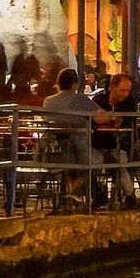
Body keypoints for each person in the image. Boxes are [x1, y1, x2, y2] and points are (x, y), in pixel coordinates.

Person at [42, 67, 98, 210]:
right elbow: (101, 116)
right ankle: (72, 189)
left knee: (67, 165)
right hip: (80, 149)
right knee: (99, 160)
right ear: (74, 84)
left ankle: (69, 193)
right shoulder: (80, 99)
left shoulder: (48, 101)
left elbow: (46, 119)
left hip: (54, 150)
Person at [91, 72, 140, 206]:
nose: (126, 94)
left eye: (128, 91)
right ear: (112, 87)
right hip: (97, 145)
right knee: (90, 164)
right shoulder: (98, 100)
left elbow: (121, 123)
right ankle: (96, 194)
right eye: (123, 90)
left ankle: (129, 196)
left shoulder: (129, 104)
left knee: (119, 163)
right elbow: (93, 121)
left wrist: (106, 119)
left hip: (119, 145)